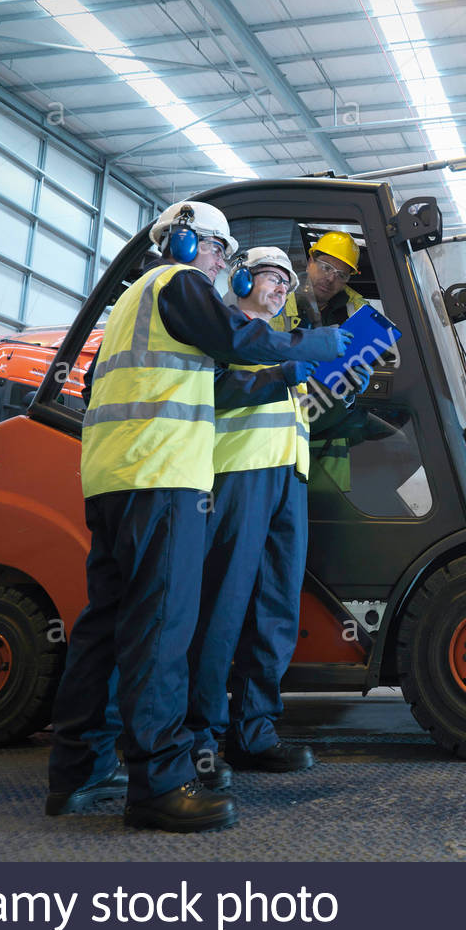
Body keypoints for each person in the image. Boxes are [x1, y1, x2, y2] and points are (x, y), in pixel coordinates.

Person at [45, 202, 348, 834]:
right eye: (217, 251)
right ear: (186, 243)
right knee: (163, 624)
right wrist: (311, 348)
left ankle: (78, 773)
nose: (221, 265)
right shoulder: (174, 283)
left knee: (107, 626)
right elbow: (235, 348)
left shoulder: (131, 305)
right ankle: (157, 782)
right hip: (162, 475)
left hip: (114, 476)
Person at [186, 246, 318, 783]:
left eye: (288, 280)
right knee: (223, 609)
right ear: (240, 278)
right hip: (237, 477)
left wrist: (340, 397)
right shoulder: (223, 331)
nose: (283, 286)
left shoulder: (281, 342)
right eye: (271, 276)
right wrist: (280, 375)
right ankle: (198, 737)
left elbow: (296, 415)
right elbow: (211, 390)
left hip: (289, 479)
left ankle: (254, 731)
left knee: (275, 609)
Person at [275, 231, 369, 491]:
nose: (331, 279)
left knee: (326, 519)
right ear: (310, 261)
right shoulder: (278, 298)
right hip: (280, 428)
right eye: (326, 267)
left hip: (329, 430)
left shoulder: (356, 310)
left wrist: (351, 391)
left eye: (342, 275)